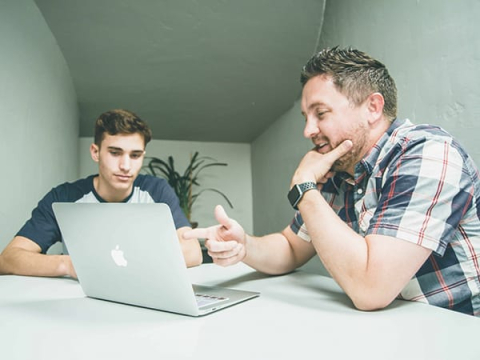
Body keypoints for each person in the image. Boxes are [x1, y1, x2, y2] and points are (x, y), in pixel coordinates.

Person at [184, 47, 480, 316]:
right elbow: (290, 247)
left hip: (456, 331)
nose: (308, 130)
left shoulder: (429, 154)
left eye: (321, 113)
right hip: (390, 328)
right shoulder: (339, 171)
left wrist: (304, 186)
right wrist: (244, 245)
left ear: (373, 108)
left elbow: (371, 289)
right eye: (306, 117)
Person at [0, 109, 202, 278]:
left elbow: (193, 252)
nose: (125, 166)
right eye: (115, 153)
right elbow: (8, 258)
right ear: (95, 152)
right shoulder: (64, 197)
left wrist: (124, 262)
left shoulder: (156, 191)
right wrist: (69, 265)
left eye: (135, 155)